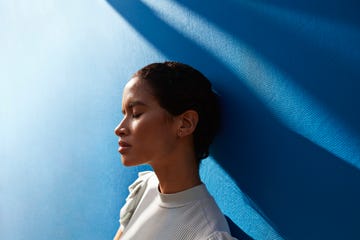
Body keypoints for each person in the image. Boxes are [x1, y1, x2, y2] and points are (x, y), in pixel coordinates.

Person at [113, 62, 236, 240]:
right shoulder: (145, 189)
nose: (119, 128)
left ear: (185, 123)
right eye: (124, 114)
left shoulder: (207, 234)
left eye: (136, 113)